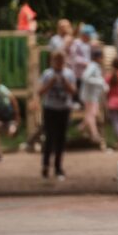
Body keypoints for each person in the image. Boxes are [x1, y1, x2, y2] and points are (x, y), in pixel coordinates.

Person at [38, 51, 77, 181]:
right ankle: (45, 166)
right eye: (56, 60)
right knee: (49, 138)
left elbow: (73, 92)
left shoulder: (69, 74)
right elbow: (40, 91)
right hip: (50, 109)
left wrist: (65, 83)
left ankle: (58, 167)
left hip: (64, 109)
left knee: (61, 139)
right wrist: (51, 82)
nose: (59, 63)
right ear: (52, 61)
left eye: (61, 61)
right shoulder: (47, 74)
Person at [80, 41, 109, 150]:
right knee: (91, 115)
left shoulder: (95, 66)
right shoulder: (92, 66)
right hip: (89, 96)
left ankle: (80, 128)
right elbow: (85, 77)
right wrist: (100, 82)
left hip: (93, 96)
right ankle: (95, 135)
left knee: (92, 114)